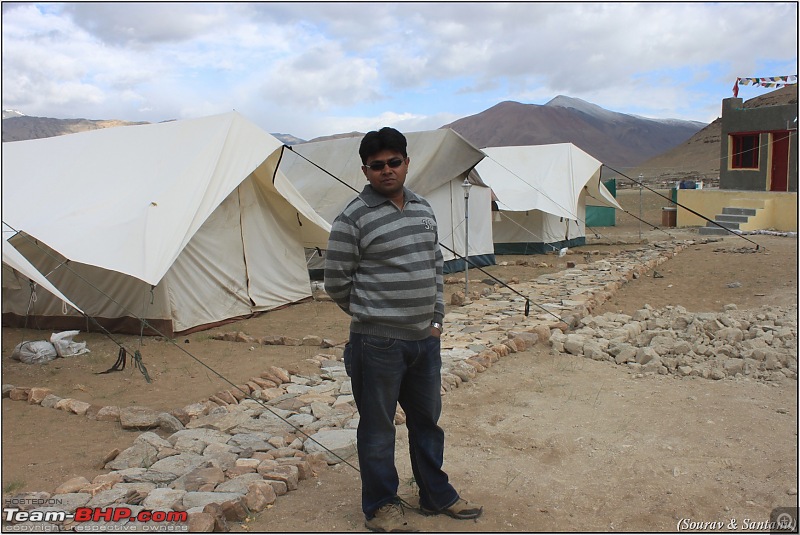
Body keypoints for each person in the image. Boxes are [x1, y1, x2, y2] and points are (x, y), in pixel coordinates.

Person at [324, 127, 483, 532]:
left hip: (423, 343)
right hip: (377, 343)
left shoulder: (423, 209)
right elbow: (336, 282)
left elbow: (435, 268)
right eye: (377, 166)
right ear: (365, 170)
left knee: (427, 422)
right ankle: (381, 504)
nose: (387, 170)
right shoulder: (352, 218)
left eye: (394, 162)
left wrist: (435, 322)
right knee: (378, 428)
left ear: (407, 163)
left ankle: (436, 494)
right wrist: (372, 314)